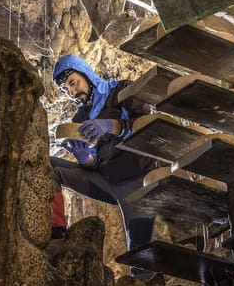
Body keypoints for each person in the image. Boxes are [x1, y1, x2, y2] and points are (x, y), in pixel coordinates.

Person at [50, 54, 157, 253]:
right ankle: (56, 233)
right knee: (48, 165)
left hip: (137, 182)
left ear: (86, 74)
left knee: (139, 254)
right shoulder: (80, 117)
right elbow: (95, 161)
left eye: (74, 83)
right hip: (105, 180)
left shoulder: (122, 90)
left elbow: (148, 126)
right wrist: (86, 159)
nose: (72, 92)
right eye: (66, 89)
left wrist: (111, 125)